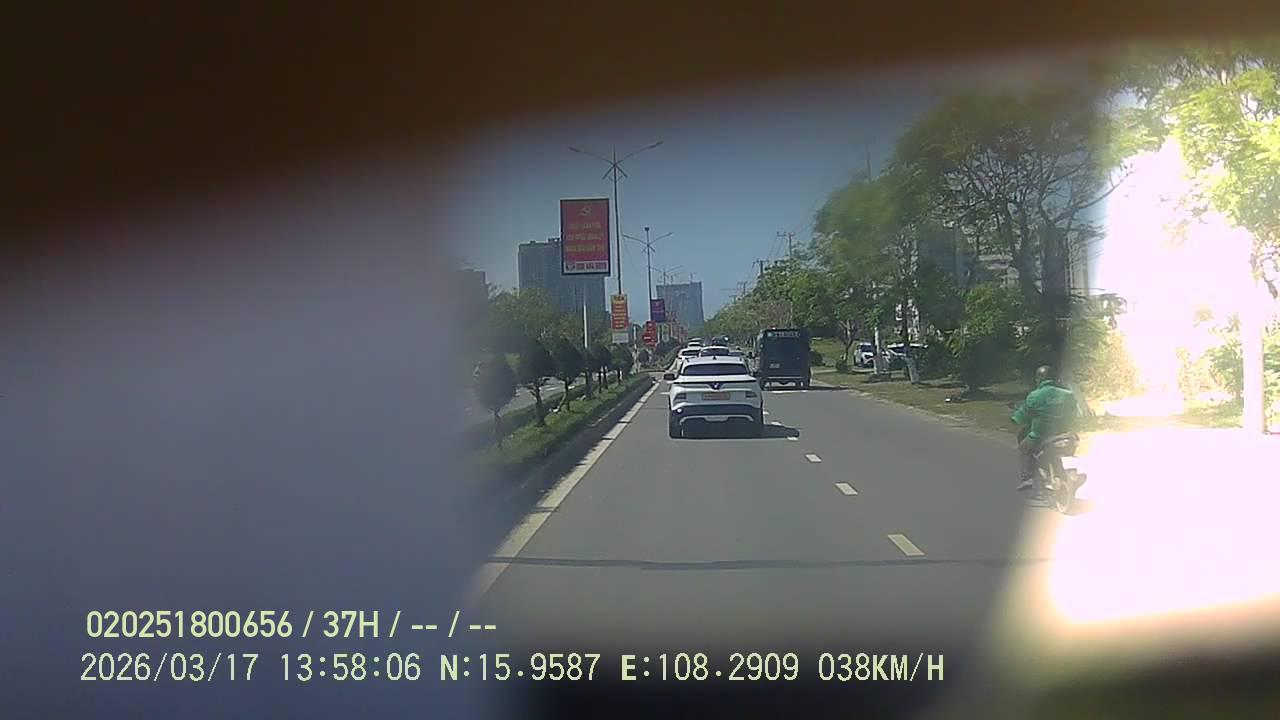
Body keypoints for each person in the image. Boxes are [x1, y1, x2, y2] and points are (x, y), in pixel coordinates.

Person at [1011, 365, 1078, 492]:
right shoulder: (1068, 394)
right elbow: (1075, 414)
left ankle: (1028, 478)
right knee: (1070, 450)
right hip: (1066, 435)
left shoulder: (1035, 396)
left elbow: (1021, 418)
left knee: (1024, 448)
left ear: (1039, 379)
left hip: (1040, 437)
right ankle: (1071, 475)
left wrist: (1015, 418)